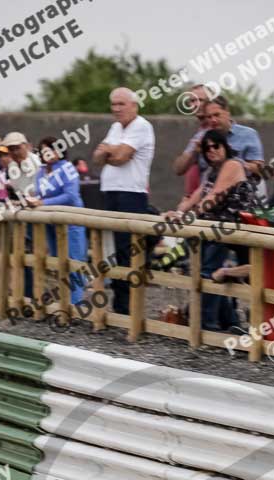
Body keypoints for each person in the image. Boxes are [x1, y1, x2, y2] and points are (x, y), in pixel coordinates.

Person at [169, 128, 257, 331]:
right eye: (207, 148)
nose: (211, 150)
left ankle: (207, 324)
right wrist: (178, 212)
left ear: (225, 146)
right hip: (216, 226)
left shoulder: (233, 164)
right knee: (207, 269)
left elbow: (214, 196)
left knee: (208, 270)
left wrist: (188, 217)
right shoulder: (212, 172)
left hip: (233, 226)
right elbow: (197, 195)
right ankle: (228, 319)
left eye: (216, 145)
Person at [93, 87, 155, 314]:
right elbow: (97, 157)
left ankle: (129, 307)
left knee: (128, 250)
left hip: (130, 193)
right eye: (114, 104)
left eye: (121, 104)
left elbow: (119, 157)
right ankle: (120, 304)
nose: (116, 109)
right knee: (113, 250)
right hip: (111, 191)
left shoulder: (141, 126)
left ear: (134, 106)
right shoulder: (116, 127)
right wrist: (112, 151)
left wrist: (110, 151)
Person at [27, 136, 88, 305]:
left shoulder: (67, 168)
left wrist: (43, 203)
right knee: (57, 261)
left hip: (71, 220)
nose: (47, 153)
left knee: (73, 261)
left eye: (51, 149)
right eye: (44, 150)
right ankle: (63, 301)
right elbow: (39, 194)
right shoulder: (40, 171)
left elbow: (71, 196)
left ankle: (75, 303)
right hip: (51, 222)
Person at [173, 84, 211, 194]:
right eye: (193, 100)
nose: (196, 104)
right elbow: (179, 168)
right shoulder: (199, 134)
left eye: (201, 100)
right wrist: (195, 151)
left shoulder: (217, 130)